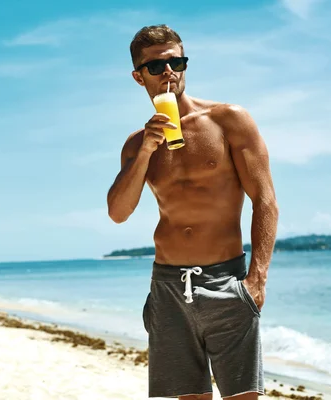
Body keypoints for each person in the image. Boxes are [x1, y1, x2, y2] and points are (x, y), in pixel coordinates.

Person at [107, 24, 279, 400]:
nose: (169, 72)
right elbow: (118, 212)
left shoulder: (228, 120)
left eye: (177, 61)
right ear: (139, 77)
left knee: (244, 397)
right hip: (167, 286)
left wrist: (257, 281)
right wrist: (148, 150)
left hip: (226, 281)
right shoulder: (137, 144)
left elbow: (264, 199)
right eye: (156, 67)